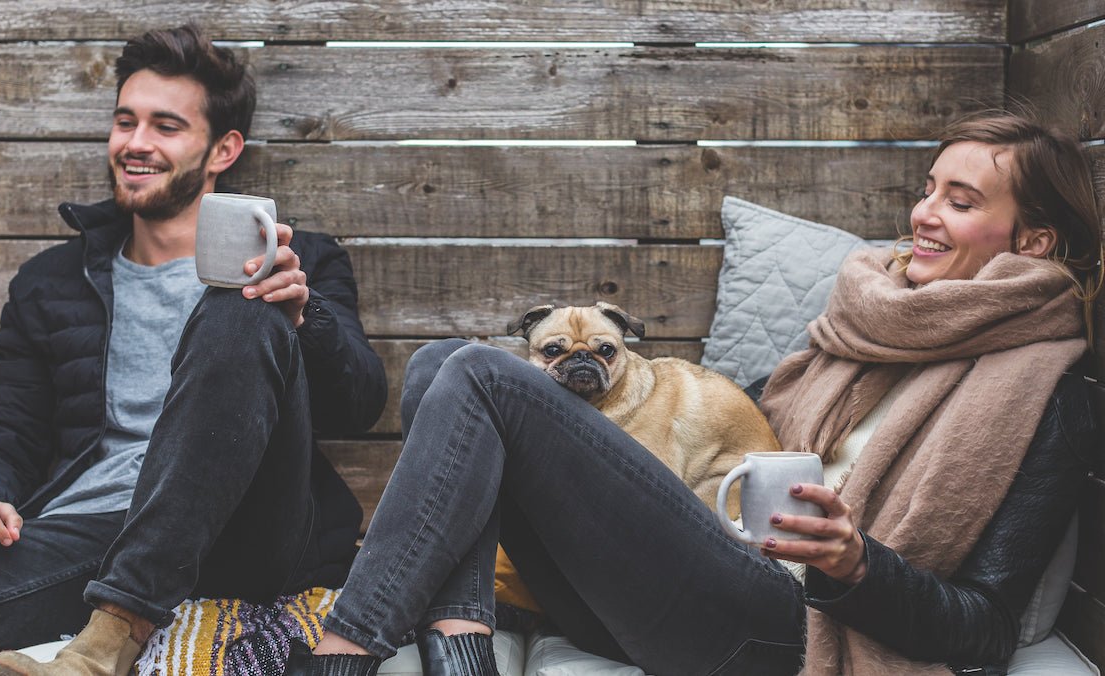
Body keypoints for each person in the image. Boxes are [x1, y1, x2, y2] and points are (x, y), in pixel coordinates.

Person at [287, 110, 1101, 676]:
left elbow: (988, 627)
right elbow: (743, 422)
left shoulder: (1043, 389)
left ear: (1033, 240)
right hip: (683, 581)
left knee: (476, 371)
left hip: (785, 632)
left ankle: (345, 648)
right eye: (927, 188)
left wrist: (857, 565)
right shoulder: (870, 321)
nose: (924, 214)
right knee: (441, 364)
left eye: (960, 201)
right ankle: (462, 643)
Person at [0, 24, 386, 675]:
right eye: (125, 121)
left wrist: (304, 314)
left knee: (243, 299)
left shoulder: (301, 261)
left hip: (243, 530)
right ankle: (114, 612)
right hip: (86, 536)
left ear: (223, 149)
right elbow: (5, 433)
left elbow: (360, 404)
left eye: (166, 126)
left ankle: (109, 642)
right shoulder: (50, 282)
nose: (135, 143)